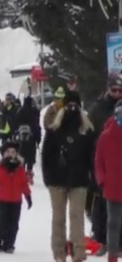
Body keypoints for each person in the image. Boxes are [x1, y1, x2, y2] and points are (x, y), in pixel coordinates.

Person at [42, 90, 97, 262]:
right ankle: (59, 253)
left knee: (76, 216)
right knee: (58, 218)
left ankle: (78, 252)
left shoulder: (86, 130)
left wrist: (92, 178)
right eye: (69, 105)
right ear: (64, 107)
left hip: (79, 180)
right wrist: (48, 178)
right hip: (56, 180)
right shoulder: (54, 130)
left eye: (75, 105)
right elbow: (46, 156)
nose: (72, 108)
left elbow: (92, 157)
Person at [0, 141, 32, 254]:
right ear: (3, 154)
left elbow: (23, 183)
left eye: (13, 152)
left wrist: (28, 196)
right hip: (2, 199)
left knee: (14, 224)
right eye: (8, 152)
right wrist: (3, 166)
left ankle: (9, 244)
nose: (10, 154)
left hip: (16, 200)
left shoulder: (20, 168)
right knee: (2, 221)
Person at [95, 100, 122, 262]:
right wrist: (102, 180)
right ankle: (112, 256)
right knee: (113, 223)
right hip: (112, 187)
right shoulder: (105, 137)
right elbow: (99, 162)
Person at [15, 97, 42, 177]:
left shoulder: (20, 111)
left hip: (21, 137)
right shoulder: (35, 111)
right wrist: (38, 138)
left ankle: (22, 173)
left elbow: (16, 124)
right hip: (31, 137)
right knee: (30, 156)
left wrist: (15, 135)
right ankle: (29, 172)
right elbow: (37, 125)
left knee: (22, 155)